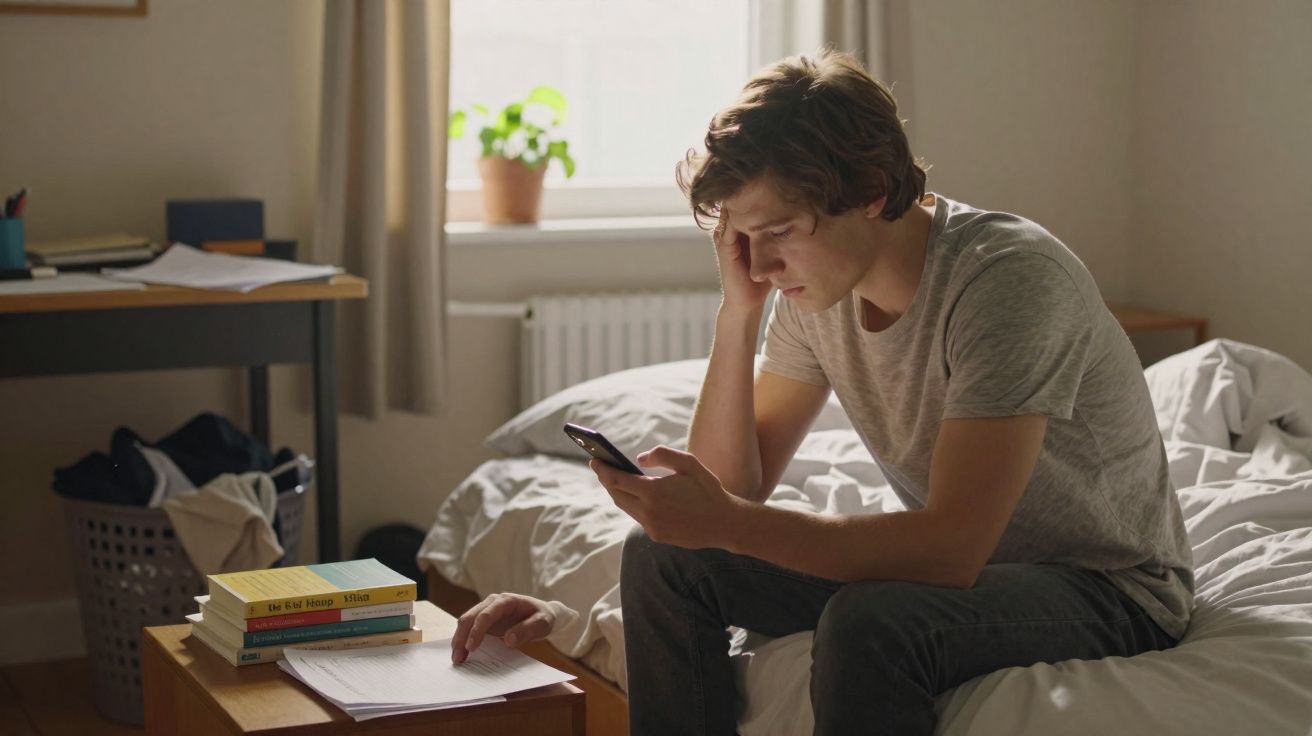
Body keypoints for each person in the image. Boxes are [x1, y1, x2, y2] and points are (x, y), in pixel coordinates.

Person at [451, 48, 1194, 735]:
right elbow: (733, 491)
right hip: (979, 571)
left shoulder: (1007, 281)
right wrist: (737, 316)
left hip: (1105, 585)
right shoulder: (814, 292)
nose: (764, 263)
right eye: (744, 237)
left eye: (778, 230)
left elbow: (949, 552)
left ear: (871, 192)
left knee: (873, 621)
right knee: (663, 556)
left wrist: (728, 522)